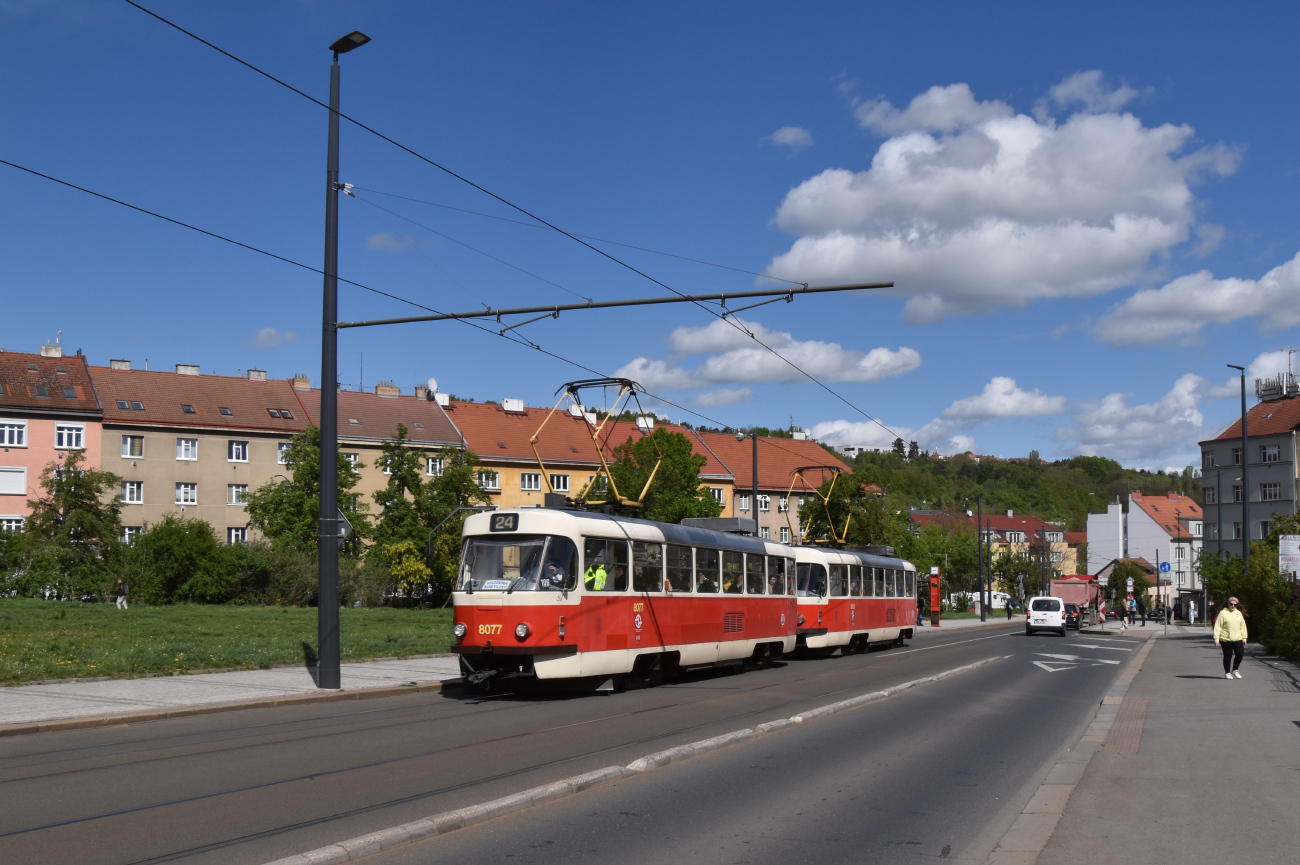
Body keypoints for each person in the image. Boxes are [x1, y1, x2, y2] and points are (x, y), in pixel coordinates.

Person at [1214, 596, 1247, 679]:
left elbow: (1242, 626)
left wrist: (1244, 638)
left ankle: (1235, 670)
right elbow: (1218, 626)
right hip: (1226, 639)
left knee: (1240, 653)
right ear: (1228, 604)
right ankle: (1227, 673)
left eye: (1235, 605)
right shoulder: (1223, 613)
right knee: (1228, 655)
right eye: (1231, 604)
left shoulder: (1238, 613)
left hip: (1237, 638)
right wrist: (1216, 638)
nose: (1233, 606)